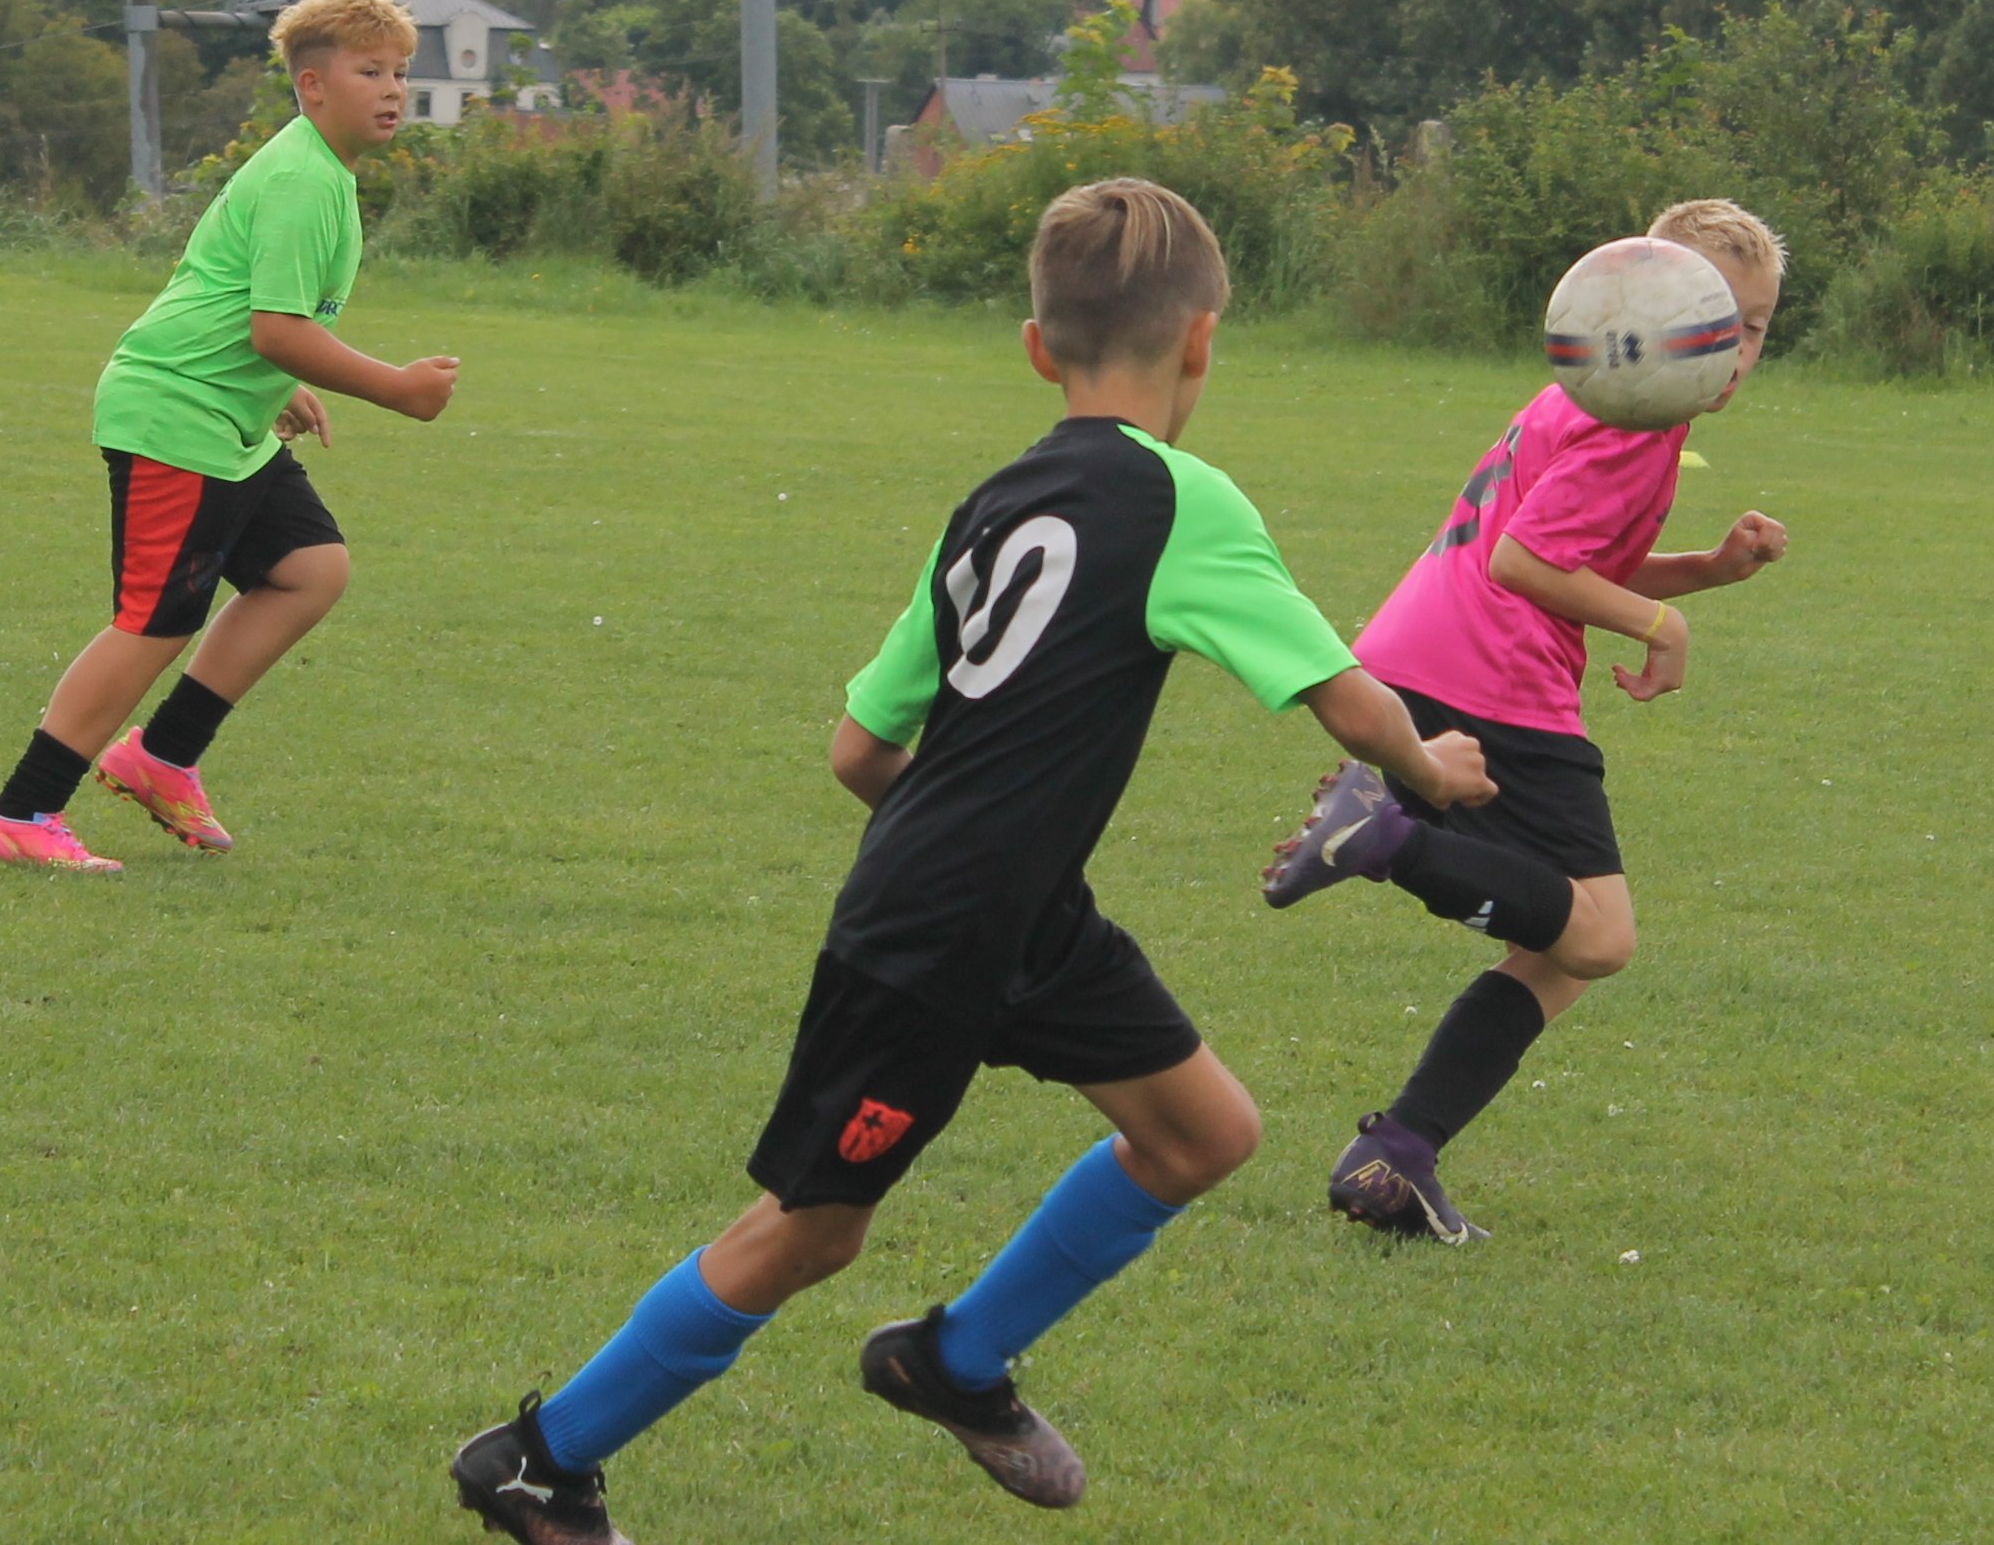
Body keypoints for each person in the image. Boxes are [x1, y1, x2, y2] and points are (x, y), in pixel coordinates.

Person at [448, 179, 1493, 1543]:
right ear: (1201, 339)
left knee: (1202, 1132)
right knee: (812, 1228)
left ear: (1035, 347)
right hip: (939, 929)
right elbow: (1348, 702)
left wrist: (978, 824)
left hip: (1015, 909)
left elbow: (858, 749)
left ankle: (951, 1361)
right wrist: (1431, 773)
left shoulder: (989, 507)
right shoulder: (1179, 499)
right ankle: (537, 1459)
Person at [1261, 198, 1796, 1243]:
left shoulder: (1591, 396)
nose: (1733, 350)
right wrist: (1663, 623)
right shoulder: (1636, 425)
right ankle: (1384, 837)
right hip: (1492, 676)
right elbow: (1527, 563)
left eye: (1753, 328)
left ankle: (1396, 1155)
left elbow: (1576, 552)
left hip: (1422, 659)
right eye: (1712, 320)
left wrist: (1706, 570)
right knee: (1597, 936)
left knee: (1555, 952)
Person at [0, 0, 458, 871]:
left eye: (399, 72)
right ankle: (21, 812)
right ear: (312, 85)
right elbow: (277, 329)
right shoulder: (303, 178)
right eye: (369, 72)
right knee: (154, 621)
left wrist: (275, 383)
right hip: (175, 413)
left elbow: (243, 307)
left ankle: (160, 758)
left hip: (222, 413)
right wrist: (397, 388)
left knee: (309, 570)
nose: (393, 90)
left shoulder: (320, 170)